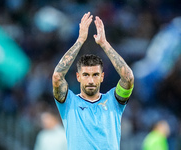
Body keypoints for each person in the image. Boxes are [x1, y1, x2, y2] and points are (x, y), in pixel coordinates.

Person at [52, 12, 134, 150]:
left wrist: (104, 44)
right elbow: (57, 76)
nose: (90, 80)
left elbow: (128, 77)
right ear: (78, 77)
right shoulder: (69, 103)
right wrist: (80, 41)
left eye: (95, 74)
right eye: (86, 75)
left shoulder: (114, 101)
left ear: (102, 76)